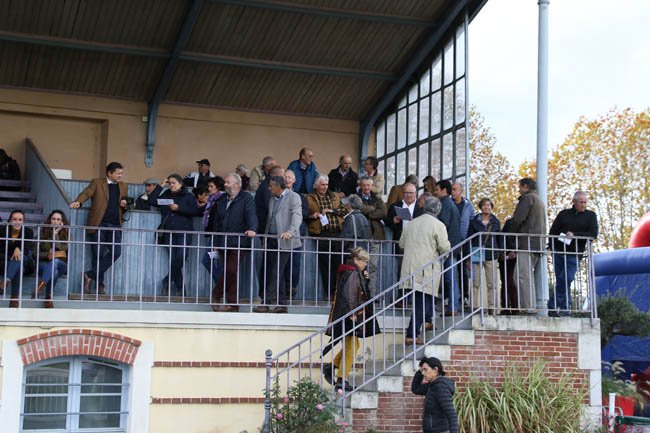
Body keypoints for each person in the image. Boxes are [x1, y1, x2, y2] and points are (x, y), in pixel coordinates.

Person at [322, 247, 380, 391]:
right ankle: (341, 379)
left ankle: (332, 367)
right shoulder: (352, 272)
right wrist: (352, 313)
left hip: (346, 315)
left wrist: (365, 279)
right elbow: (350, 294)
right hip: (349, 316)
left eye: (366, 261)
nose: (365, 264)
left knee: (353, 346)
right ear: (355, 260)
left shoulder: (351, 271)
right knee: (352, 346)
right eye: (363, 261)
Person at [70, 162, 128, 295]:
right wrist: (78, 201)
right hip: (99, 223)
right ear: (109, 173)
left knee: (116, 252)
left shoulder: (123, 186)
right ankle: (99, 285)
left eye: (121, 173)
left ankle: (89, 275)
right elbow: (87, 193)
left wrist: (125, 204)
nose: (121, 175)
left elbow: (126, 202)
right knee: (98, 255)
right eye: (118, 173)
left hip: (115, 224)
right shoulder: (97, 182)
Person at [399, 197, 450, 345]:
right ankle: (412, 334)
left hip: (409, 267)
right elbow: (445, 248)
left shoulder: (411, 223)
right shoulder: (438, 225)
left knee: (424, 299)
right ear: (438, 210)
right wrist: (444, 257)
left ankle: (427, 321)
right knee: (422, 301)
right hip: (427, 268)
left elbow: (401, 243)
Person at [206, 173, 257, 312]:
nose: (225, 185)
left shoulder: (246, 198)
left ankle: (216, 293)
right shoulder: (222, 199)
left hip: (239, 241)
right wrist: (215, 241)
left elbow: (251, 215)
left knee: (231, 270)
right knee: (230, 273)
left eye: (228, 182)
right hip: (223, 241)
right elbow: (217, 222)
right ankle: (232, 305)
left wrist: (252, 229)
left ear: (237, 184)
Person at [253, 176, 302, 313]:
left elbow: (297, 215)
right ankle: (282, 304)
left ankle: (266, 302)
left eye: (271, 186)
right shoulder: (272, 199)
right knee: (274, 272)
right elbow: (270, 220)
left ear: (278, 186)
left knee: (276, 271)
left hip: (285, 240)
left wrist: (291, 231)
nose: (269, 188)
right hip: (271, 239)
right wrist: (265, 239)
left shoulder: (294, 197)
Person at [547, 191, 599, 316]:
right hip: (558, 251)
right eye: (581, 202)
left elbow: (593, 234)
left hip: (574, 253)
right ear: (574, 202)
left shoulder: (591, 216)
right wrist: (551, 247)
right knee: (562, 280)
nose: (583, 205)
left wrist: (575, 235)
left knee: (566, 278)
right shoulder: (563, 214)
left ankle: (553, 305)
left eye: (585, 202)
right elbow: (553, 231)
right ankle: (564, 309)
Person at [148, 174, 197, 296]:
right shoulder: (166, 194)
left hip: (184, 231)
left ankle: (167, 280)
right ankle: (180, 288)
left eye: (173, 183)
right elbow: (152, 201)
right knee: (173, 259)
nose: (171, 185)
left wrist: (178, 208)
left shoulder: (188, 196)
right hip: (168, 231)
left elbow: (195, 211)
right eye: (169, 183)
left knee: (181, 257)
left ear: (180, 183)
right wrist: (160, 186)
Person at [509, 177, 547, 313]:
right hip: (536, 243)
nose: (519, 190)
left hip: (527, 242)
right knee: (520, 275)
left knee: (523, 276)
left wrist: (511, 234)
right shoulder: (539, 200)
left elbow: (518, 219)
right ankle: (526, 306)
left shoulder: (528, 199)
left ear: (525, 186)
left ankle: (528, 308)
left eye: (520, 187)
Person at [307, 175, 344, 298]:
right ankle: (329, 293)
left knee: (337, 263)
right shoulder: (310, 197)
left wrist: (332, 211)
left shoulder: (334, 196)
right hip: (321, 233)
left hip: (336, 233)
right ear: (316, 185)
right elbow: (305, 214)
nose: (325, 187)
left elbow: (344, 210)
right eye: (322, 184)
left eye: (326, 184)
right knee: (325, 265)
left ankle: (337, 292)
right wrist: (312, 215)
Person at [467, 198, 502, 314]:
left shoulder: (496, 222)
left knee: (491, 283)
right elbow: (469, 239)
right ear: (480, 207)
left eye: (488, 205)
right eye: (484, 205)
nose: (486, 207)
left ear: (491, 207)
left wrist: (500, 253)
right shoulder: (474, 222)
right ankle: (474, 306)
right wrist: (468, 257)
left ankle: (492, 307)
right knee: (475, 282)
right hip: (476, 253)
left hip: (491, 254)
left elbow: (500, 239)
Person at [411, 357, 459, 433]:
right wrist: (420, 371)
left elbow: (451, 414)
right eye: (422, 370)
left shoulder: (441, 387)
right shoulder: (431, 386)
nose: (423, 373)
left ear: (435, 370)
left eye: (425, 370)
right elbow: (416, 389)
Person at [435, 179, 462, 316]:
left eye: (437, 189)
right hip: (452, 246)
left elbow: (442, 224)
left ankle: (452, 307)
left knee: (449, 278)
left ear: (444, 190)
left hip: (447, 247)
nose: (435, 192)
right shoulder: (451, 204)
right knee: (450, 278)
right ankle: (452, 307)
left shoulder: (445, 204)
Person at [34, 210, 70, 308]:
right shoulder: (42, 233)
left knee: (56, 261)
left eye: (58, 219)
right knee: (54, 271)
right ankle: (48, 297)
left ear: (62, 222)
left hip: (61, 264)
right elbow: (34, 253)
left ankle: (41, 285)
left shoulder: (66, 235)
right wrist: (48, 254)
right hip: (43, 264)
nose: (55, 221)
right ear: (50, 220)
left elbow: (63, 251)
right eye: (53, 219)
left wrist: (55, 234)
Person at [358, 176, 387, 296]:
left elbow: (383, 212)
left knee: (373, 266)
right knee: (359, 265)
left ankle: (372, 294)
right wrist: (373, 209)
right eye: (364, 185)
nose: (366, 188)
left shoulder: (377, 198)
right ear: (360, 186)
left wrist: (369, 214)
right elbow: (358, 209)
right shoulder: (356, 198)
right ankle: (360, 294)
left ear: (371, 186)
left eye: (368, 185)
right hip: (361, 235)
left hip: (375, 235)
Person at [282, 169, 309, 295]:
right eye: (285, 177)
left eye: (289, 177)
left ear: (294, 180)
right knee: (281, 263)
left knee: (294, 263)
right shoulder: (277, 196)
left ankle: (291, 288)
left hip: (296, 234)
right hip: (281, 234)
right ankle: (281, 290)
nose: (287, 179)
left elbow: (305, 213)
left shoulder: (300, 197)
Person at [1, 210, 35, 307]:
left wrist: (18, 249)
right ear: (10, 220)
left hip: (26, 262)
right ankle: (14, 299)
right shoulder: (2, 231)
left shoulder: (28, 231)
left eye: (20, 220)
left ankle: (6, 280)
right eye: (14, 219)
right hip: (7, 262)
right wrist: (13, 256)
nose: (17, 222)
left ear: (23, 221)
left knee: (20, 257)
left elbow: (27, 250)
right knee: (18, 264)